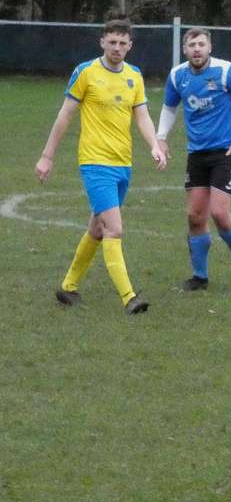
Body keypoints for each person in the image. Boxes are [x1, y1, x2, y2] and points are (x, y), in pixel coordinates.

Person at [35, 19, 167, 314]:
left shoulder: (134, 75)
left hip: (123, 164)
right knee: (114, 229)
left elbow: (142, 116)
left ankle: (68, 287)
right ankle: (129, 298)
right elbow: (65, 114)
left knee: (97, 228)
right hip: (95, 163)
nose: (117, 48)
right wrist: (47, 155)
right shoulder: (86, 72)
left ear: (130, 46)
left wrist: (155, 145)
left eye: (122, 43)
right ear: (102, 42)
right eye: (112, 42)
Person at [156, 27, 231, 292]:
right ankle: (200, 277)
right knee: (194, 215)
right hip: (197, 153)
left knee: (220, 212)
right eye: (192, 45)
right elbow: (169, 107)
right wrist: (161, 136)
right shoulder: (178, 75)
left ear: (210, 47)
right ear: (185, 49)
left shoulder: (226, 71)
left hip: (227, 152)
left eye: (201, 44)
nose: (197, 49)